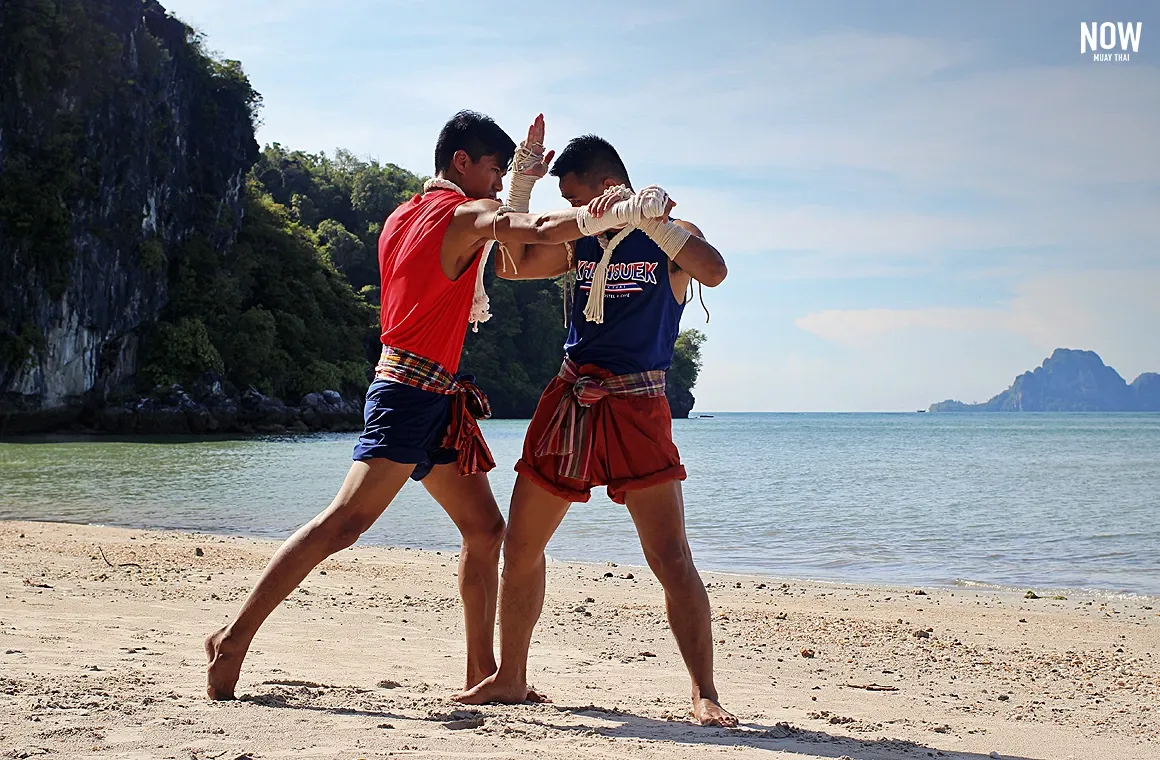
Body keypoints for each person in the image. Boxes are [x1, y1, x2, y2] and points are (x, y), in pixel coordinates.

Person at [204, 113, 674, 700]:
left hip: (433, 397)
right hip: (407, 395)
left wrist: (527, 180)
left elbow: (503, 243)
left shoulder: (401, 215)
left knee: (485, 530)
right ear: (461, 164)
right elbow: (533, 230)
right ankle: (233, 637)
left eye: (507, 173)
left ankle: (484, 672)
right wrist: (624, 212)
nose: (500, 183)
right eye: (496, 169)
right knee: (344, 522)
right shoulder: (460, 215)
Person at [455, 134, 736, 727]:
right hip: (570, 398)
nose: (569, 204)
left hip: (638, 403)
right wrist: (523, 187)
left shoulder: (670, 230)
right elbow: (514, 262)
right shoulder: (580, 238)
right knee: (523, 546)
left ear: (605, 185)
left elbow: (714, 271)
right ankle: (511, 677)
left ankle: (703, 691)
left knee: (670, 556)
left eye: (571, 191)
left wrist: (647, 220)